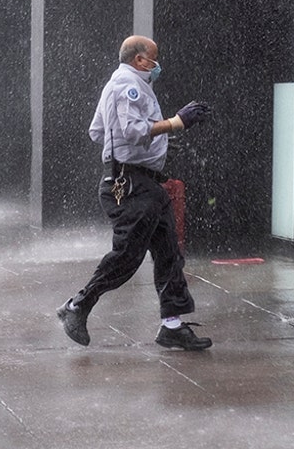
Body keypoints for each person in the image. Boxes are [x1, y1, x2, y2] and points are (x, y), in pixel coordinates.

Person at [56, 35, 214, 349]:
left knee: (168, 251)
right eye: (154, 58)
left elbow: (97, 131)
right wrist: (176, 122)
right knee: (128, 256)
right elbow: (131, 130)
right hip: (129, 186)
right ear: (139, 59)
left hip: (141, 184)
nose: (157, 65)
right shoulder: (125, 85)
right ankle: (77, 306)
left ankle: (172, 324)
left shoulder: (131, 86)